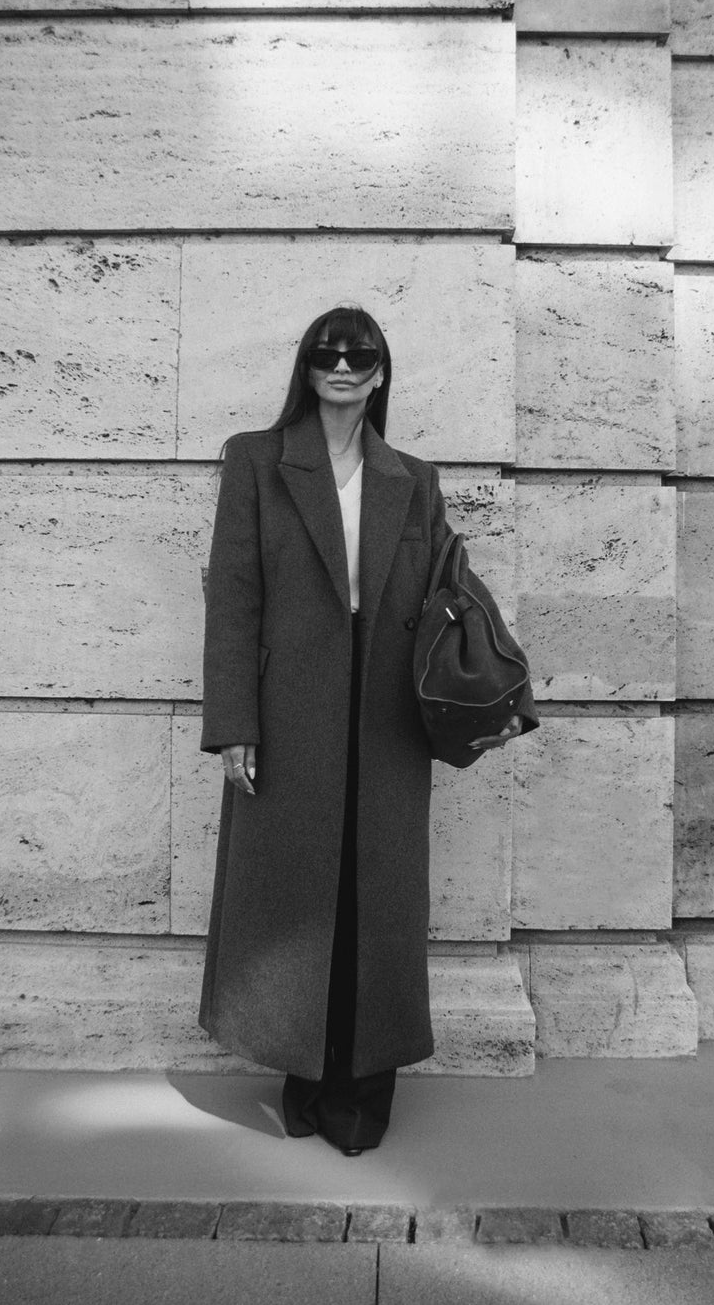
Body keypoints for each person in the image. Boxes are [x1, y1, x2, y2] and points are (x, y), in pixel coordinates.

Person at [198, 303, 537, 1154]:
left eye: (360, 355)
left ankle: (362, 1091)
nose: (342, 366)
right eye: (327, 352)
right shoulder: (256, 460)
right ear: (306, 366)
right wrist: (236, 722)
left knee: (373, 902)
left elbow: (440, 588)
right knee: (294, 900)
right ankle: (303, 1079)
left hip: (388, 719)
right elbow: (233, 597)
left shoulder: (411, 478)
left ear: (381, 372)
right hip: (290, 712)